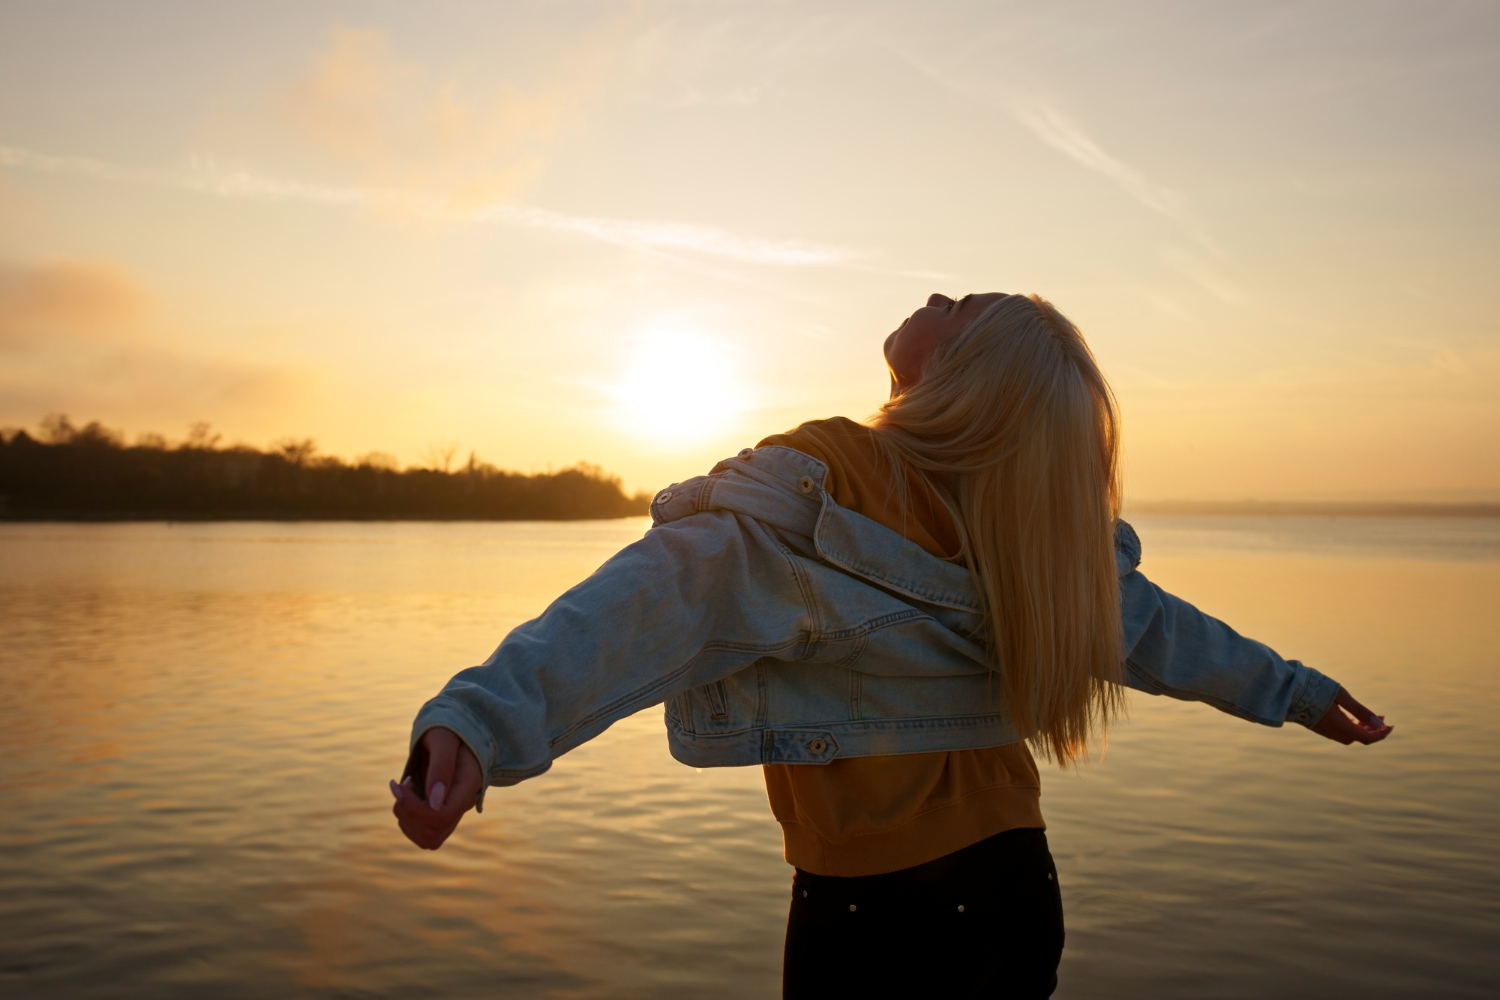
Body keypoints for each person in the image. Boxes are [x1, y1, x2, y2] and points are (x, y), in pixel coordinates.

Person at [390, 292, 1391, 998]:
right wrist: (1296, 691)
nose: (939, 293)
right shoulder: (1025, 531)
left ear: (972, 374)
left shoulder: (829, 479)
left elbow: (659, 596)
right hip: (1011, 890)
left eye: (969, 306)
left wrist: (485, 721)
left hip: (871, 909)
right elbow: (1161, 633)